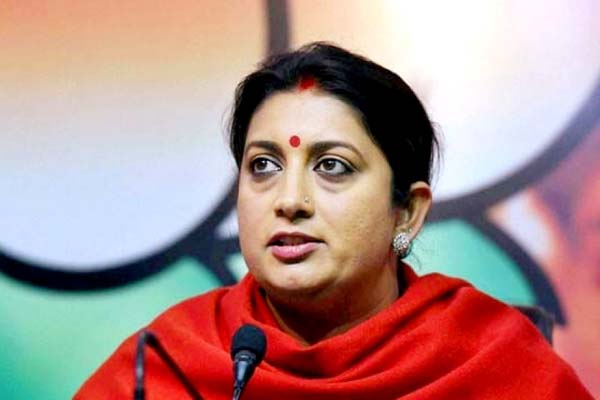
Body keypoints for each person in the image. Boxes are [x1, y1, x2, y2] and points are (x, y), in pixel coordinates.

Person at [75, 42, 592, 399]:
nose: (289, 200)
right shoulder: (173, 363)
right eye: (264, 166)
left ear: (407, 212)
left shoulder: (490, 362)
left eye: (332, 166)